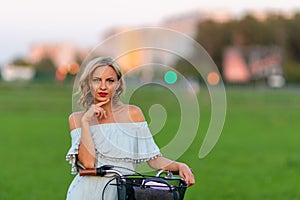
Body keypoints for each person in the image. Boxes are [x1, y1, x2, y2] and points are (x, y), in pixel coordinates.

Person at [66, 57, 195, 199]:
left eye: (110, 81)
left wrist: (180, 166)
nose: (103, 86)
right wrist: (86, 121)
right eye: (97, 80)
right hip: (86, 193)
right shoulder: (77, 119)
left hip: (123, 192)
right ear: (89, 83)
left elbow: (153, 159)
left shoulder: (133, 114)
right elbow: (88, 164)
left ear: (118, 84)